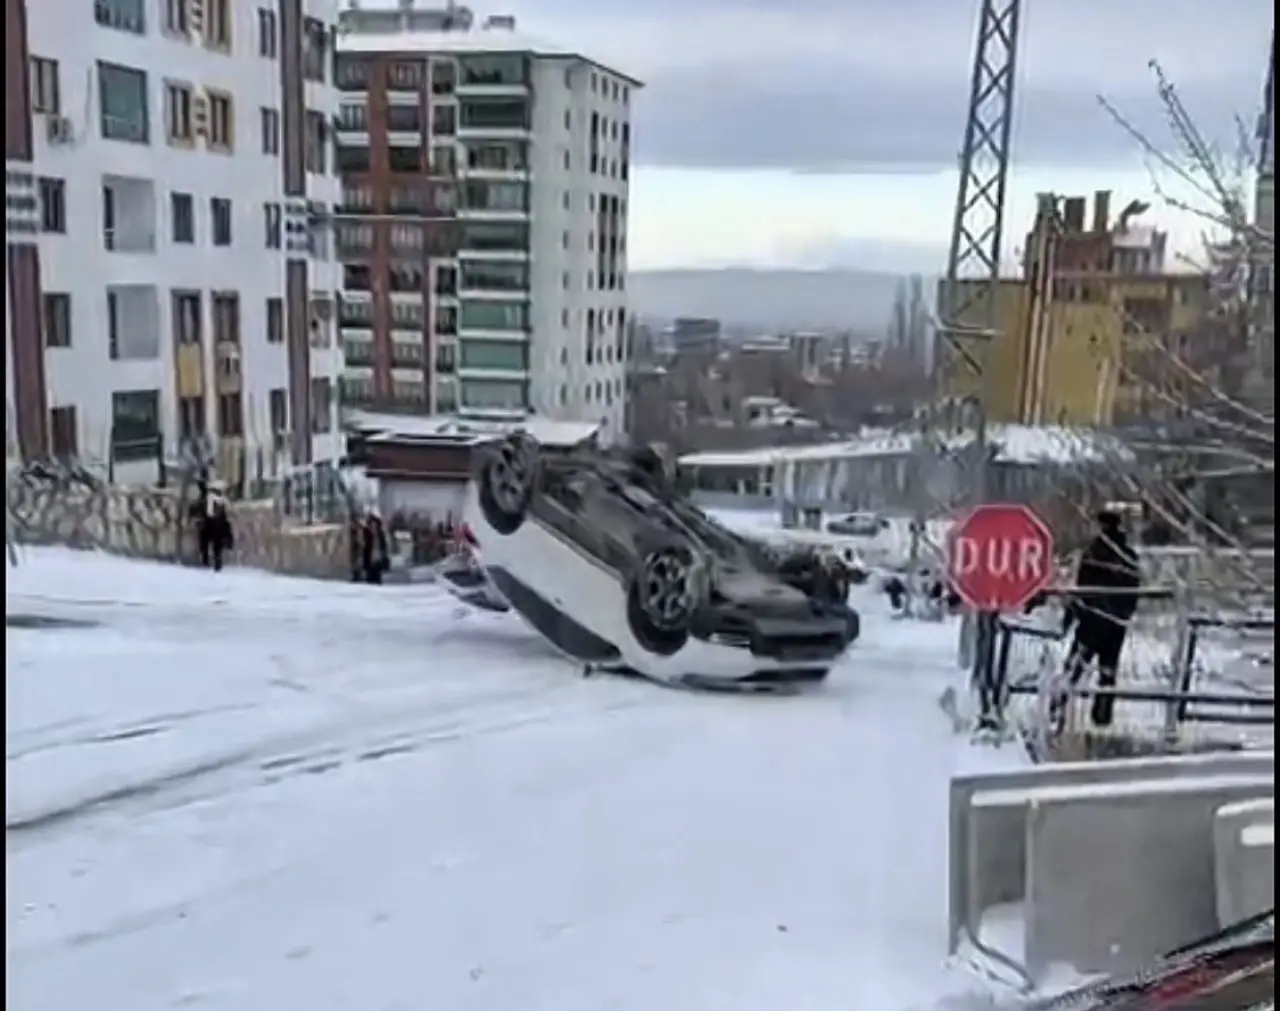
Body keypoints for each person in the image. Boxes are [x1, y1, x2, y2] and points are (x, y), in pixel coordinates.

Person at [1060, 509, 1141, 727]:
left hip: (1093, 618)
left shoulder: (1093, 554)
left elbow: (1082, 586)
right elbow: (1134, 589)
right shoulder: (1129, 556)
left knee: (1075, 665)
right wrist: (1124, 614)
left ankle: (1057, 706)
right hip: (1116, 622)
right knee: (1108, 670)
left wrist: (1072, 615)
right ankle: (1102, 715)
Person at [198, 481, 234, 572]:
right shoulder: (224, 499)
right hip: (221, 523)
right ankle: (218, 562)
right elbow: (230, 510)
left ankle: (205, 561)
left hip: (210, 523)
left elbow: (208, 512)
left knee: (205, 542)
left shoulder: (208, 498)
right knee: (218, 546)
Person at [360, 508, 390, 585]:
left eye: (375, 525)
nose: (373, 527)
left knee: (377, 578)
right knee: (370, 579)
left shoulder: (380, 534)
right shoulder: (366, 534)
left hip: (378, 560)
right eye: (372, 525)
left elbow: (384, 547)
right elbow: (364, 548)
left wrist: (385, 561)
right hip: (369, 559)